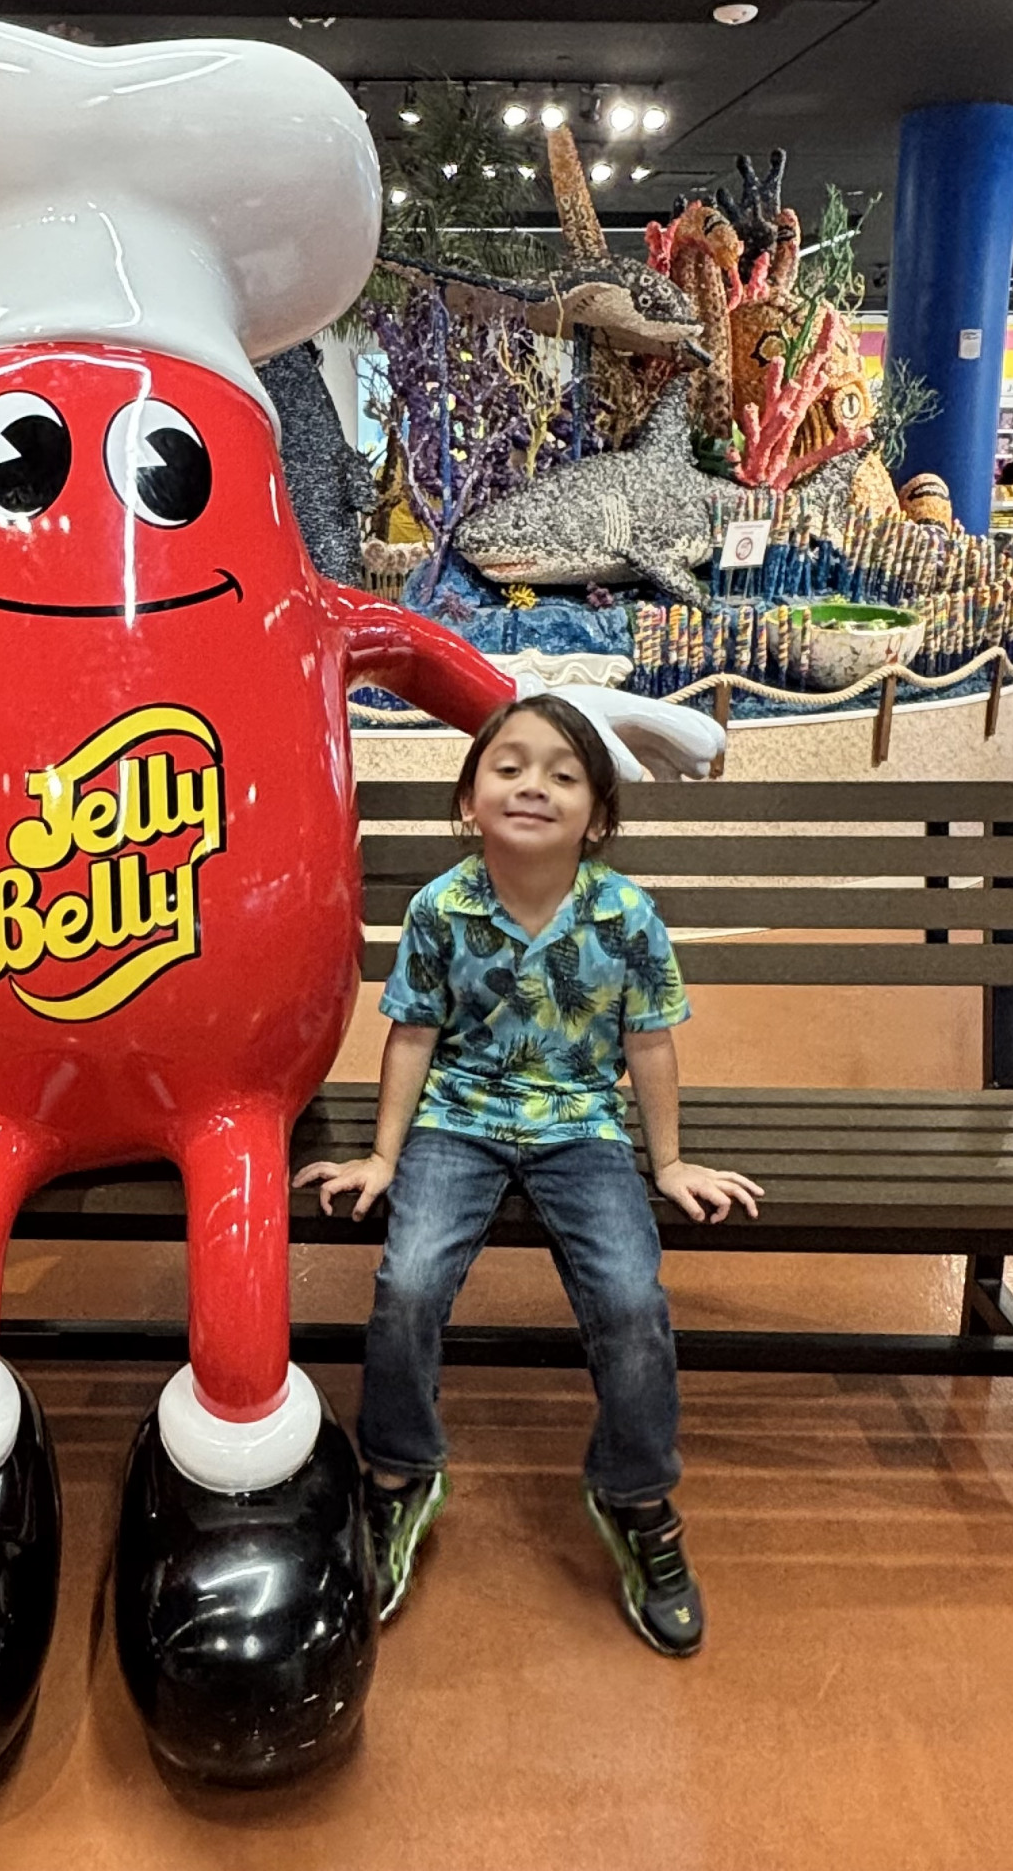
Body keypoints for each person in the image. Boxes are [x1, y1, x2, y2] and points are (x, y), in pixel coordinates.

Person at [295, 695, 762, 1657]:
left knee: (630, 1297)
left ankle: (636, 1494)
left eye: (563, 773)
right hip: (457, 1123)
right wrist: (384, 1155)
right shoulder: (440, 909)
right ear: (470, 801)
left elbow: (650, 1042)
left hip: (582, 1127)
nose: (533, 786)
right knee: (409, 1281)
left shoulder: (626, 916)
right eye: (508, 767)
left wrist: (669, 1161)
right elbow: (412, 1034)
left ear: (598, 815)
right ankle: (397, 1474)